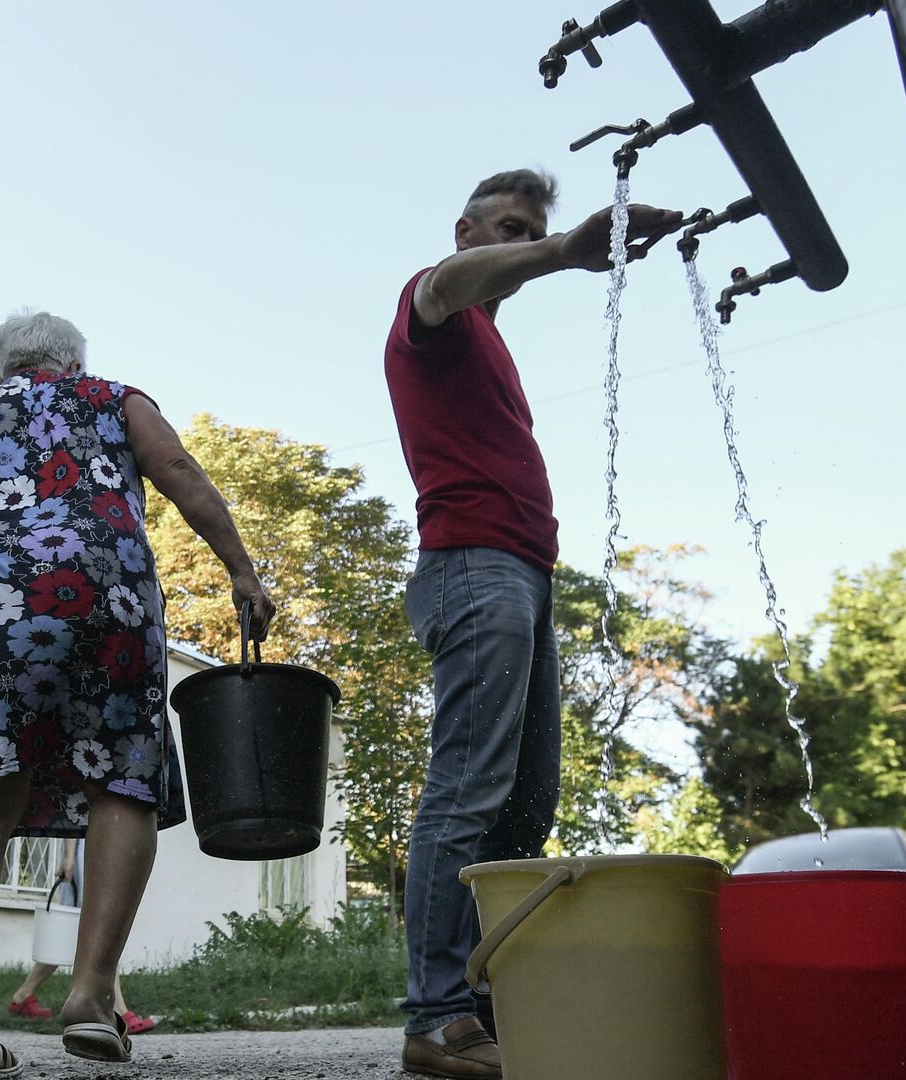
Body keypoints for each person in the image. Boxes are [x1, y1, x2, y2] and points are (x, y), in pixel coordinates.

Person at [0, 311, 272, 1079]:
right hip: (108, 594)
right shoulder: (115, 398)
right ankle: (92, 995)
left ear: (5, 367)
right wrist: (239, 566)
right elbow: (178, 471)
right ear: (74, 361)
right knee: (121, 777)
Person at [384, 171, 683, 1079]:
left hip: (521, 574)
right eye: (508, 226)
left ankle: (485, 1000)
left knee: (525, 802)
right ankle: (434, 1016)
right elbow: (445, 284)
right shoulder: (431, 302)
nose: (521, 239)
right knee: (468, 789)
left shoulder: (491, 341)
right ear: (468, 231)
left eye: (534, 227)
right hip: (472, 567)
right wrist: (562, 251)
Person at [7, 838, 157, 1035]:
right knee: (105, 934)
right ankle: (119, 1010)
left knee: (65, 937)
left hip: (89, 853)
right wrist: (69, 859)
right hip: (84, 857)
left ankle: (22, 997)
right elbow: (77, 814)